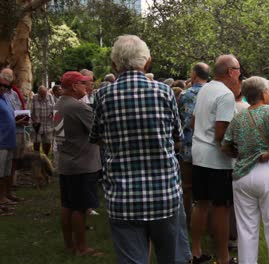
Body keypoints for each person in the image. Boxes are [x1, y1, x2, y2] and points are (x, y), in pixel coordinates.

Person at [90, 35, 184, 264]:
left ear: (114, 65)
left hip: (123, 196)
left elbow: (96, 138)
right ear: (148, 62)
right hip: (164, 193)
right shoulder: (164, 92)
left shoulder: (103, 95)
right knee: (170, 258)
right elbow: (178, 138)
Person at [222, 76, 269, 264]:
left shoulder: (238, 116)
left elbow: (225, 145)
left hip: (243, 174)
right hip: (268, 171)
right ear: (263, 93)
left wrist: (240, 155)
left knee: (246, 229)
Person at [191, 54, 239, 264]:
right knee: (221, 207)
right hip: (216, 159)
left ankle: (195, 251)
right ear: (230, 71)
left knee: (200, 203)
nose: (240, 73)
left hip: (198, 153)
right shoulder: (226, 95)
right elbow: (222, 133)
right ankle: (223, 257)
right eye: (238, 69)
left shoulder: (205, 89)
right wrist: (238, 151)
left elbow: (193, 122)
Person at [54, 71, 102, 256]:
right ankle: (82, 248)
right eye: (83, 83)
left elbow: (58, 135)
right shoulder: (78, 107)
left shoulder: (59, 105)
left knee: (67, 205)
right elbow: (98, 131)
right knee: (80, 208)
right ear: (74, 86)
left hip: (67, 162)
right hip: (82, 164)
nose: (86, 86)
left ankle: (69, 245)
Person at [178, 62, 210, 226]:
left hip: (189, 148)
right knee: (209, 190)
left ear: (195, 74)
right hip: (210, 148)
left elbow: (181, 119)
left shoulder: (185, 95)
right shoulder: (214, 93)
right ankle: (209, 223)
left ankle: (188, 220)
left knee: (187, 188)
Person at [0, 72, 21, 216]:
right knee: (0, 173)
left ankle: (4, 197)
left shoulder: (5, 98)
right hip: (0, 142)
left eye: (6, 86)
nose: (3, 88)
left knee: (6, 172)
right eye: (1, 85)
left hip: (9, 141)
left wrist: (17, 121)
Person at [31, 85, 55, 155]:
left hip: (48, 124)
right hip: (37, 124)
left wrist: (52, 113)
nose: (43, 96)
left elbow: (54, 108)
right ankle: (37, 158)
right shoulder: (34, 97)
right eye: (41, 94)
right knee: (36, 143)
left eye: (45, 94)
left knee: (47, 142)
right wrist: (33, 119)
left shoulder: (50, 96)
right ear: (38, 93)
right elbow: (30, 110)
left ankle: (45, 158)